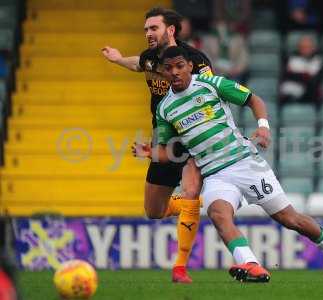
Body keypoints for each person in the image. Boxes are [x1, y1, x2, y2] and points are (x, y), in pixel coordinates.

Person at [133, 46, 323, 283]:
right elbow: (169, 152)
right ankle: (251, 264)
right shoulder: (165, 108)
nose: (175, 72)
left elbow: (254, 100)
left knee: (290, 219)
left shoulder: (212, 85)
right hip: (214, 174)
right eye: (169, 68)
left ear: (190, 66)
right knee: (218, 214)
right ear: (163, 70)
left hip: (245, 163)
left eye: (180, 66)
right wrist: (151, 153)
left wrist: (263, 126)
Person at [102, 7, 212, 283]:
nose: (148, 34)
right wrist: (116, 59)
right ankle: (190, 205)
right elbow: (137, 63)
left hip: (193, 133)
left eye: (153, 28)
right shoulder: (150, 58)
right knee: (154, 211)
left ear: (170, 30)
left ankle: (180, 268)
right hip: (164, 139)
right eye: (146, 30)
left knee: (190, 190)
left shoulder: (195, 60)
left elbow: (214, 91)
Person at [279, 35, 323, 106]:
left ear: (313, 48)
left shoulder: (317, 59)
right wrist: (306, 75)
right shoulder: (292, 58)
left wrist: (300, 74)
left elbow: (316, 78)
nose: (305, 49)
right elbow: (288, 76)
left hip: (310, 94)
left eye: (308, 47)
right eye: (303, 47)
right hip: (292, 93)